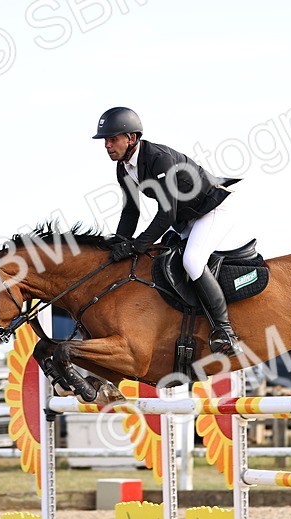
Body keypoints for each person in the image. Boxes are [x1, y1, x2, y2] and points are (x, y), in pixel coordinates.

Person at [93, 106, 243, 356]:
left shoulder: (157, 158)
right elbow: (131, 212)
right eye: (105, 140)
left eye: (112, 139)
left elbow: (166, 213)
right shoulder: (124, 169)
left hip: (214, 208)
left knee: (192, 261)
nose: (107, 145)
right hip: (186, 217)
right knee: (161, 261)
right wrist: (117, 245)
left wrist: (137, 245)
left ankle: (226, 332)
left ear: (132, 138)